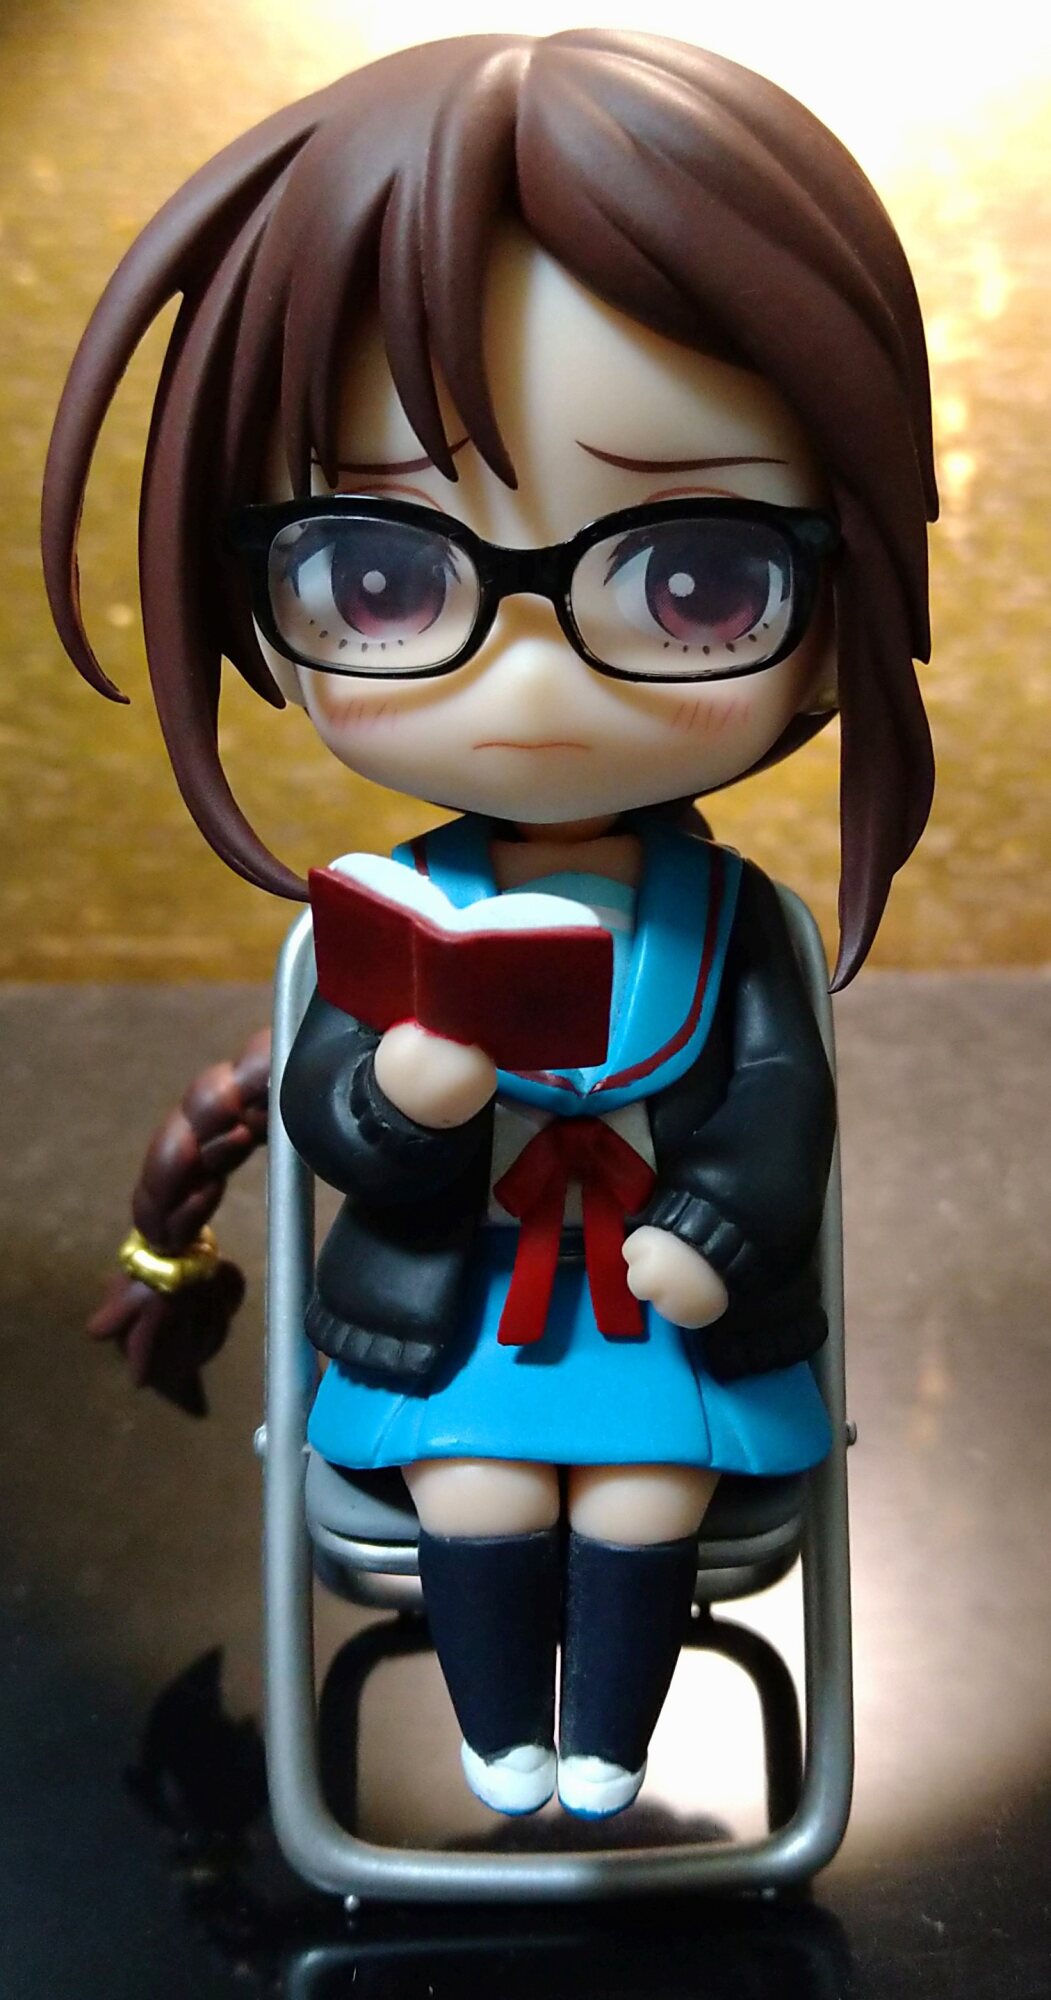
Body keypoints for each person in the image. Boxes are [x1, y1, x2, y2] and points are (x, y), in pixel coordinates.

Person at [42, 30, 937, 1821]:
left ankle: (607, 1744)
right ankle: (499, 1739)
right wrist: (406, 1099)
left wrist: (715, 1224)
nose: (527, 681)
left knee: (648, 1496)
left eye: (696, 578)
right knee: (474, 1487)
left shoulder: (734, 922)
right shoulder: (382, 921)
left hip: (669, 1315)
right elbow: (333, 1112)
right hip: (461, 1325)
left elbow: (783, 1104)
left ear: (837, 583)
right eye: (380, 575)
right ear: (264, 591)